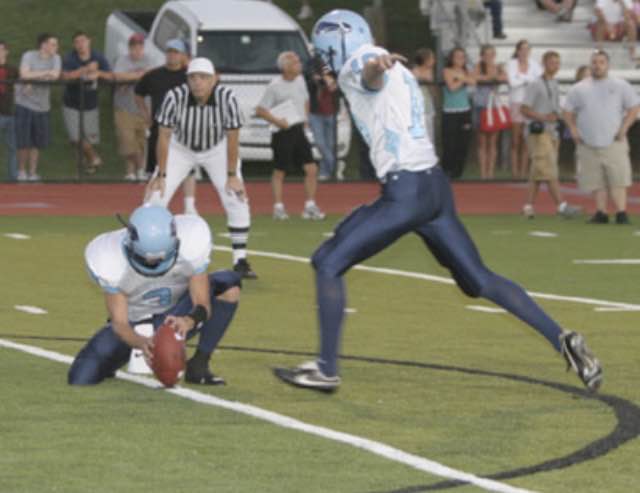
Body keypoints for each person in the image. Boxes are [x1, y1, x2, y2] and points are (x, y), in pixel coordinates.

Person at [274, 9, 602, 393]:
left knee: (327, 262)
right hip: (433, 188)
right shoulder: (394, 69)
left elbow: (368, 75)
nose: (321, 60)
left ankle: (326, 369)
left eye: (324, 50)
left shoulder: (359, 63)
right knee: (478, 280)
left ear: (339, 42)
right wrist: (374, 67)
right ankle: (561, 337)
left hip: (406, 191)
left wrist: (374, 67)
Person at [68, 205, 241, 385]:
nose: (154, 264)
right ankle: (116, 358)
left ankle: (199, 364)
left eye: (161, 258)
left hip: (175, 312)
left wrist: (188, 321)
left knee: (229, 282)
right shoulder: (108, 256)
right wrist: (141, 342)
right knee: (81, 378)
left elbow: (202, 304)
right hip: (134, 321)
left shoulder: (191, 239)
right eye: (147, 260)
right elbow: (120, 324)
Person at [146, 57, 258, 280]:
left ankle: (240, 259)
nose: (198, 82)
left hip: (217, 148)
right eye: (193, 77)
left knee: (236, 197)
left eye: (203, 77)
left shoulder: (227, 97)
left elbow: (233, 137)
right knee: (155, 198)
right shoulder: (174, 97)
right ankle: (150, 254)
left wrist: (232, 175)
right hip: (181, 147)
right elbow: (164, 136)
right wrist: (161, 173)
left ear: (214, 79)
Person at [563, 50, 639, 224]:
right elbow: (567, 111)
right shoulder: (579, 88)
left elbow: (634, 108)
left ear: (608, 65)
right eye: (595, 62)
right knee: (595, 181)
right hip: (588, 141)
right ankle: (601, 212)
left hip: (614, 140)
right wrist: (573, 130)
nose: (597, 65)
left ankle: (621, 212)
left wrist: (624, 127)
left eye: (601, 62)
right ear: (591, 64)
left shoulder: (620, 85)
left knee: (618, 178)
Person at [256, 51, 326, 220]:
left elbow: (305, 100)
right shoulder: (274, 86)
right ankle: (278, 207)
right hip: (282, 132)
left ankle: (310, 206)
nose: (299, 65)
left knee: (311, 168)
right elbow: (261, 110)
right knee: (280, 171)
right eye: (295, 63)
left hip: (299, 129)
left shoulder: (301, 80)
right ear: (285, 67)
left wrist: (306, 118)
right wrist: (278, 121)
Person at [135, 38, 198, 214]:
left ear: (184, 55)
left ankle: (189, 206)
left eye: (176, 52)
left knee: (188, 168)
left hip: (184, 129)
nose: (172, 55)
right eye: (170, 51)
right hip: (160, 127)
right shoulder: (154, 75)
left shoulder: (190, 76)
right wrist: (146, 115)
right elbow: (138, 93)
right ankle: (151, 204)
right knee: (155, 168)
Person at [520, 51, 580, 219]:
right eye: (552, 62)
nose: (556, 65)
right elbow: (524, 108)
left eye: (558, 63)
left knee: (538, 171)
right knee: (549, 169)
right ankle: (562, 205)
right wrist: (543, 117)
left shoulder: (554, 83)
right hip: (539, 132)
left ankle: (528, 206)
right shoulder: (535, 84)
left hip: (552, 130)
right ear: (544, 63)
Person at [60, 31, 113, 174]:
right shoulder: (70, 58)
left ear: (89, 41)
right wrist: (85, 69)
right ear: (74, 45)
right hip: (72, 102)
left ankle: (86, 166)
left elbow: (110, 76)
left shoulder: (98, 57)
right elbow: (65, 76)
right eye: (77, 42)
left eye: (83, 41)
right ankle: (94, 158)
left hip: (91, 103)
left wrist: (98, 73)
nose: (80, 44)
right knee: (75, 137)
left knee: (90, 139)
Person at [14, 33, 61, 182]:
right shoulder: (29, 55)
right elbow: (23, 73)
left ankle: (33, 172)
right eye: (53, 44)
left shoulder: (56, 58)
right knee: (23, 141)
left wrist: (32, 78)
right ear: (43, 45)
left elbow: (55, 75)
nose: (56, 47)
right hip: (24, 103)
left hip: (42, 106)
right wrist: (44, 74)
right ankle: (21, 172)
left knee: (36, 142)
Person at [113, 33, 152, 181]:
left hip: (143, 107)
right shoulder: (122, 60)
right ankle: (141, 168)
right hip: (124, 106)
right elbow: (118, 76)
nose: (137, 49)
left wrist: (132, 76)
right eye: (134, 46)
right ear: (130, 48)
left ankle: (130, 172)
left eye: (140, 46)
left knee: (140, 142)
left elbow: (151, 76)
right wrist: (138, 75)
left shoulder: (149, 59)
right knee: (127, 141)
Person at [507, 40, 542, 179]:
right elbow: (512, 82)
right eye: (522, 49)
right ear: (517, 50)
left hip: (530, 103)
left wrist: (521, 77)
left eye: (527, 49)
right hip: (516, 102)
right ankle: (515, 172)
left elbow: (538, 81)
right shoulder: (511, 63)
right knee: (515, 139)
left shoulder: (534, 64)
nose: (525, 51)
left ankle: (524, 172)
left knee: (527, 139)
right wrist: (528, 79)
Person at [472, 44, 508, 179]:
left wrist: (491, 77)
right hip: (481, 105)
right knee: (482, 141)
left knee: (493, 141)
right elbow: (474, 77)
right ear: (482, 56)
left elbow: (505, 78)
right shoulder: (478, 66)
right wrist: (491, 78)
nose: (489, 57)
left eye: (491, 54)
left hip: (494, 106)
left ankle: (491, 173)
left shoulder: (498, 67)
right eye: (486, 54)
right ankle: (483, 173)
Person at [441, 47, 474, 179]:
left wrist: (460, 78)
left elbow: (473, 81)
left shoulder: (466, 71)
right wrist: (463, 79)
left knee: (463, 143)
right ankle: (446, 171)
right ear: (452, 58)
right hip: (450, 111)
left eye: (462, 57)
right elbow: (452, 87)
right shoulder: (446, 70)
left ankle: (458, 173)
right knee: (450, 143)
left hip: (464, 111)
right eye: (457, 57)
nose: (460, 59)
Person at [304, 53, 338, 181]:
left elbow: (334, 86)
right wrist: (320, 79)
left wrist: (329, 80)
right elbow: (313, 81)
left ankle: (325, 172)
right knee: (320, 143)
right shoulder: (311, 77)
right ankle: (333, 165)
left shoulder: (333, 73)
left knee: (330, 144)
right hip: (316, 114)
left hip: (331, 113)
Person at [411, 47, 437, 146]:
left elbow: (433, 92)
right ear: (425, 60)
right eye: (432, 58)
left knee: (430, 136)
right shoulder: (414, 71)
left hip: (428, 107)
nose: (434, 61)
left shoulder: (429, 71)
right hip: (417, 109)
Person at [0, 41, 18, 182]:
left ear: (7, 51)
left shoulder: (12, 69)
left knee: (12, 147)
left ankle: (13, 177)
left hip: (10, 112)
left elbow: (22, 85)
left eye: (2, 49)